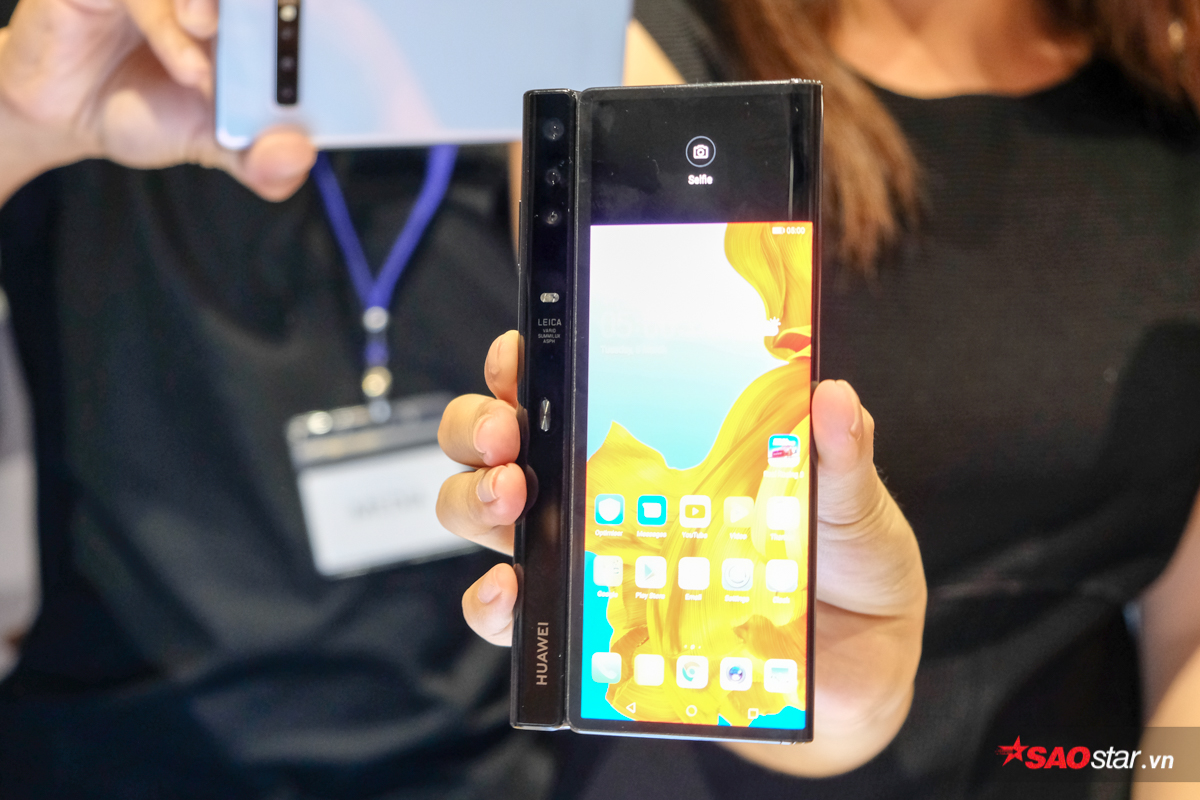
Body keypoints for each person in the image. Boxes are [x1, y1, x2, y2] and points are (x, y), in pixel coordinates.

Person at [436, 0, 1200, 797]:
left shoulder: (1171, 83)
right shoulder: (643, 52)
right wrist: (846, 703)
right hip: (716, 755)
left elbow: (1190, 640)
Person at [0, 0, 556, 797]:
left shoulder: (536, 49)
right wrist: (20, 120)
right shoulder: (84, 45)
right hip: (124, 750)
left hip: (474, 759)